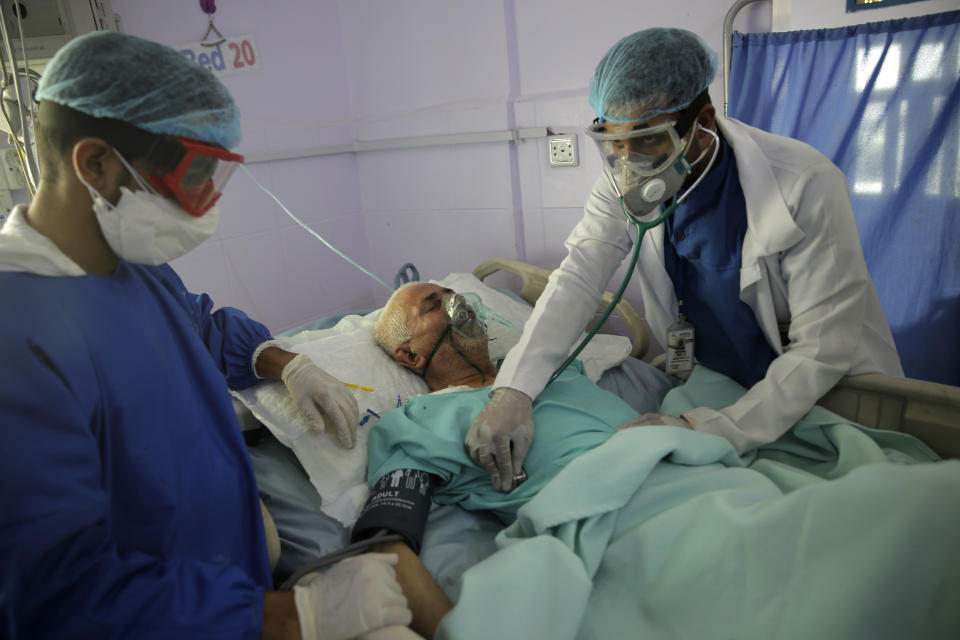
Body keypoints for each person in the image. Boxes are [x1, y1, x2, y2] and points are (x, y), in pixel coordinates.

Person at [0, 31, 410, 640]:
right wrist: (294, 617)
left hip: (223, 590)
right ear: (94, 163)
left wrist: (286, 363)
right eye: (192, 172)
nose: (207, 202)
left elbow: (206, 330)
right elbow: (60, 594)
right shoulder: (19, 336)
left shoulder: (133, 270)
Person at [352, 282, 957, 639]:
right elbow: (386, 540)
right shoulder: (416, 423)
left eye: (460, 297)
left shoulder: (542, 372)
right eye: (437, 305)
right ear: (409, 355)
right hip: (623, 520)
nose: (460, 306)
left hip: (700, 472)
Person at [466, 27, 904, 492]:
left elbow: (823, 348)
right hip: (717, 383)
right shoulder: (623, 182)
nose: (629, 162)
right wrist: (514, 388)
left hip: (822, 392)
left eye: (648, 140)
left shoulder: (805, 183)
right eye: (614, 143)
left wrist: (708, 431)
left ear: (705, 123)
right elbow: (579, 274)